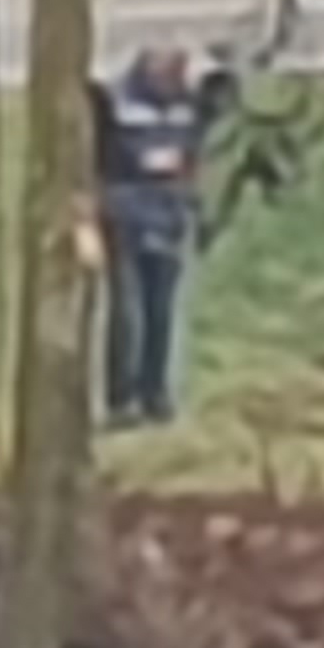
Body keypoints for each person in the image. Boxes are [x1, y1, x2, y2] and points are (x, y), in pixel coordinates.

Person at [90, 42, 234, 427]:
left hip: (170, 216)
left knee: (161, 313)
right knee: (128, 312)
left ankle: (156, 396)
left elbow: (221, 103)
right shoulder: (119, 102)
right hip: (125, 216)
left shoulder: (190, 105)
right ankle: (122, 399)